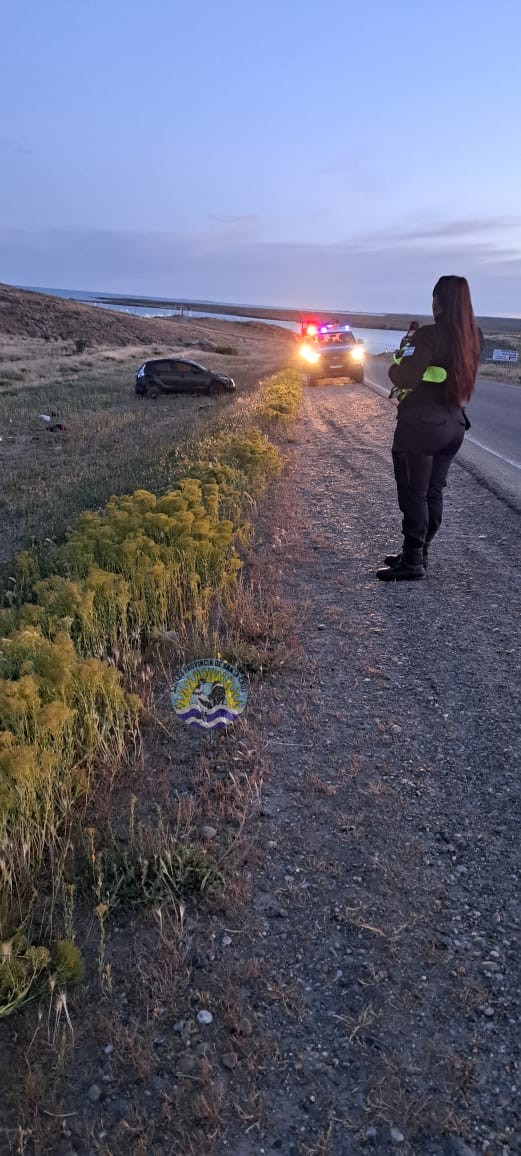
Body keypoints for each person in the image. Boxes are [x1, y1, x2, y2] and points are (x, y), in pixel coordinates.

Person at [377, 275, 483, 582]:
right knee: (432, 493)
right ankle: (419, 552)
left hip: (422, 425)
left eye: (434, 298)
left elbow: (405, 378)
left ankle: (412, 562)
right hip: (454, 425)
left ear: (439, 302)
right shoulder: (475, 336)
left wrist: (397, 362)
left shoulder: (427, 336)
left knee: (413, 494)